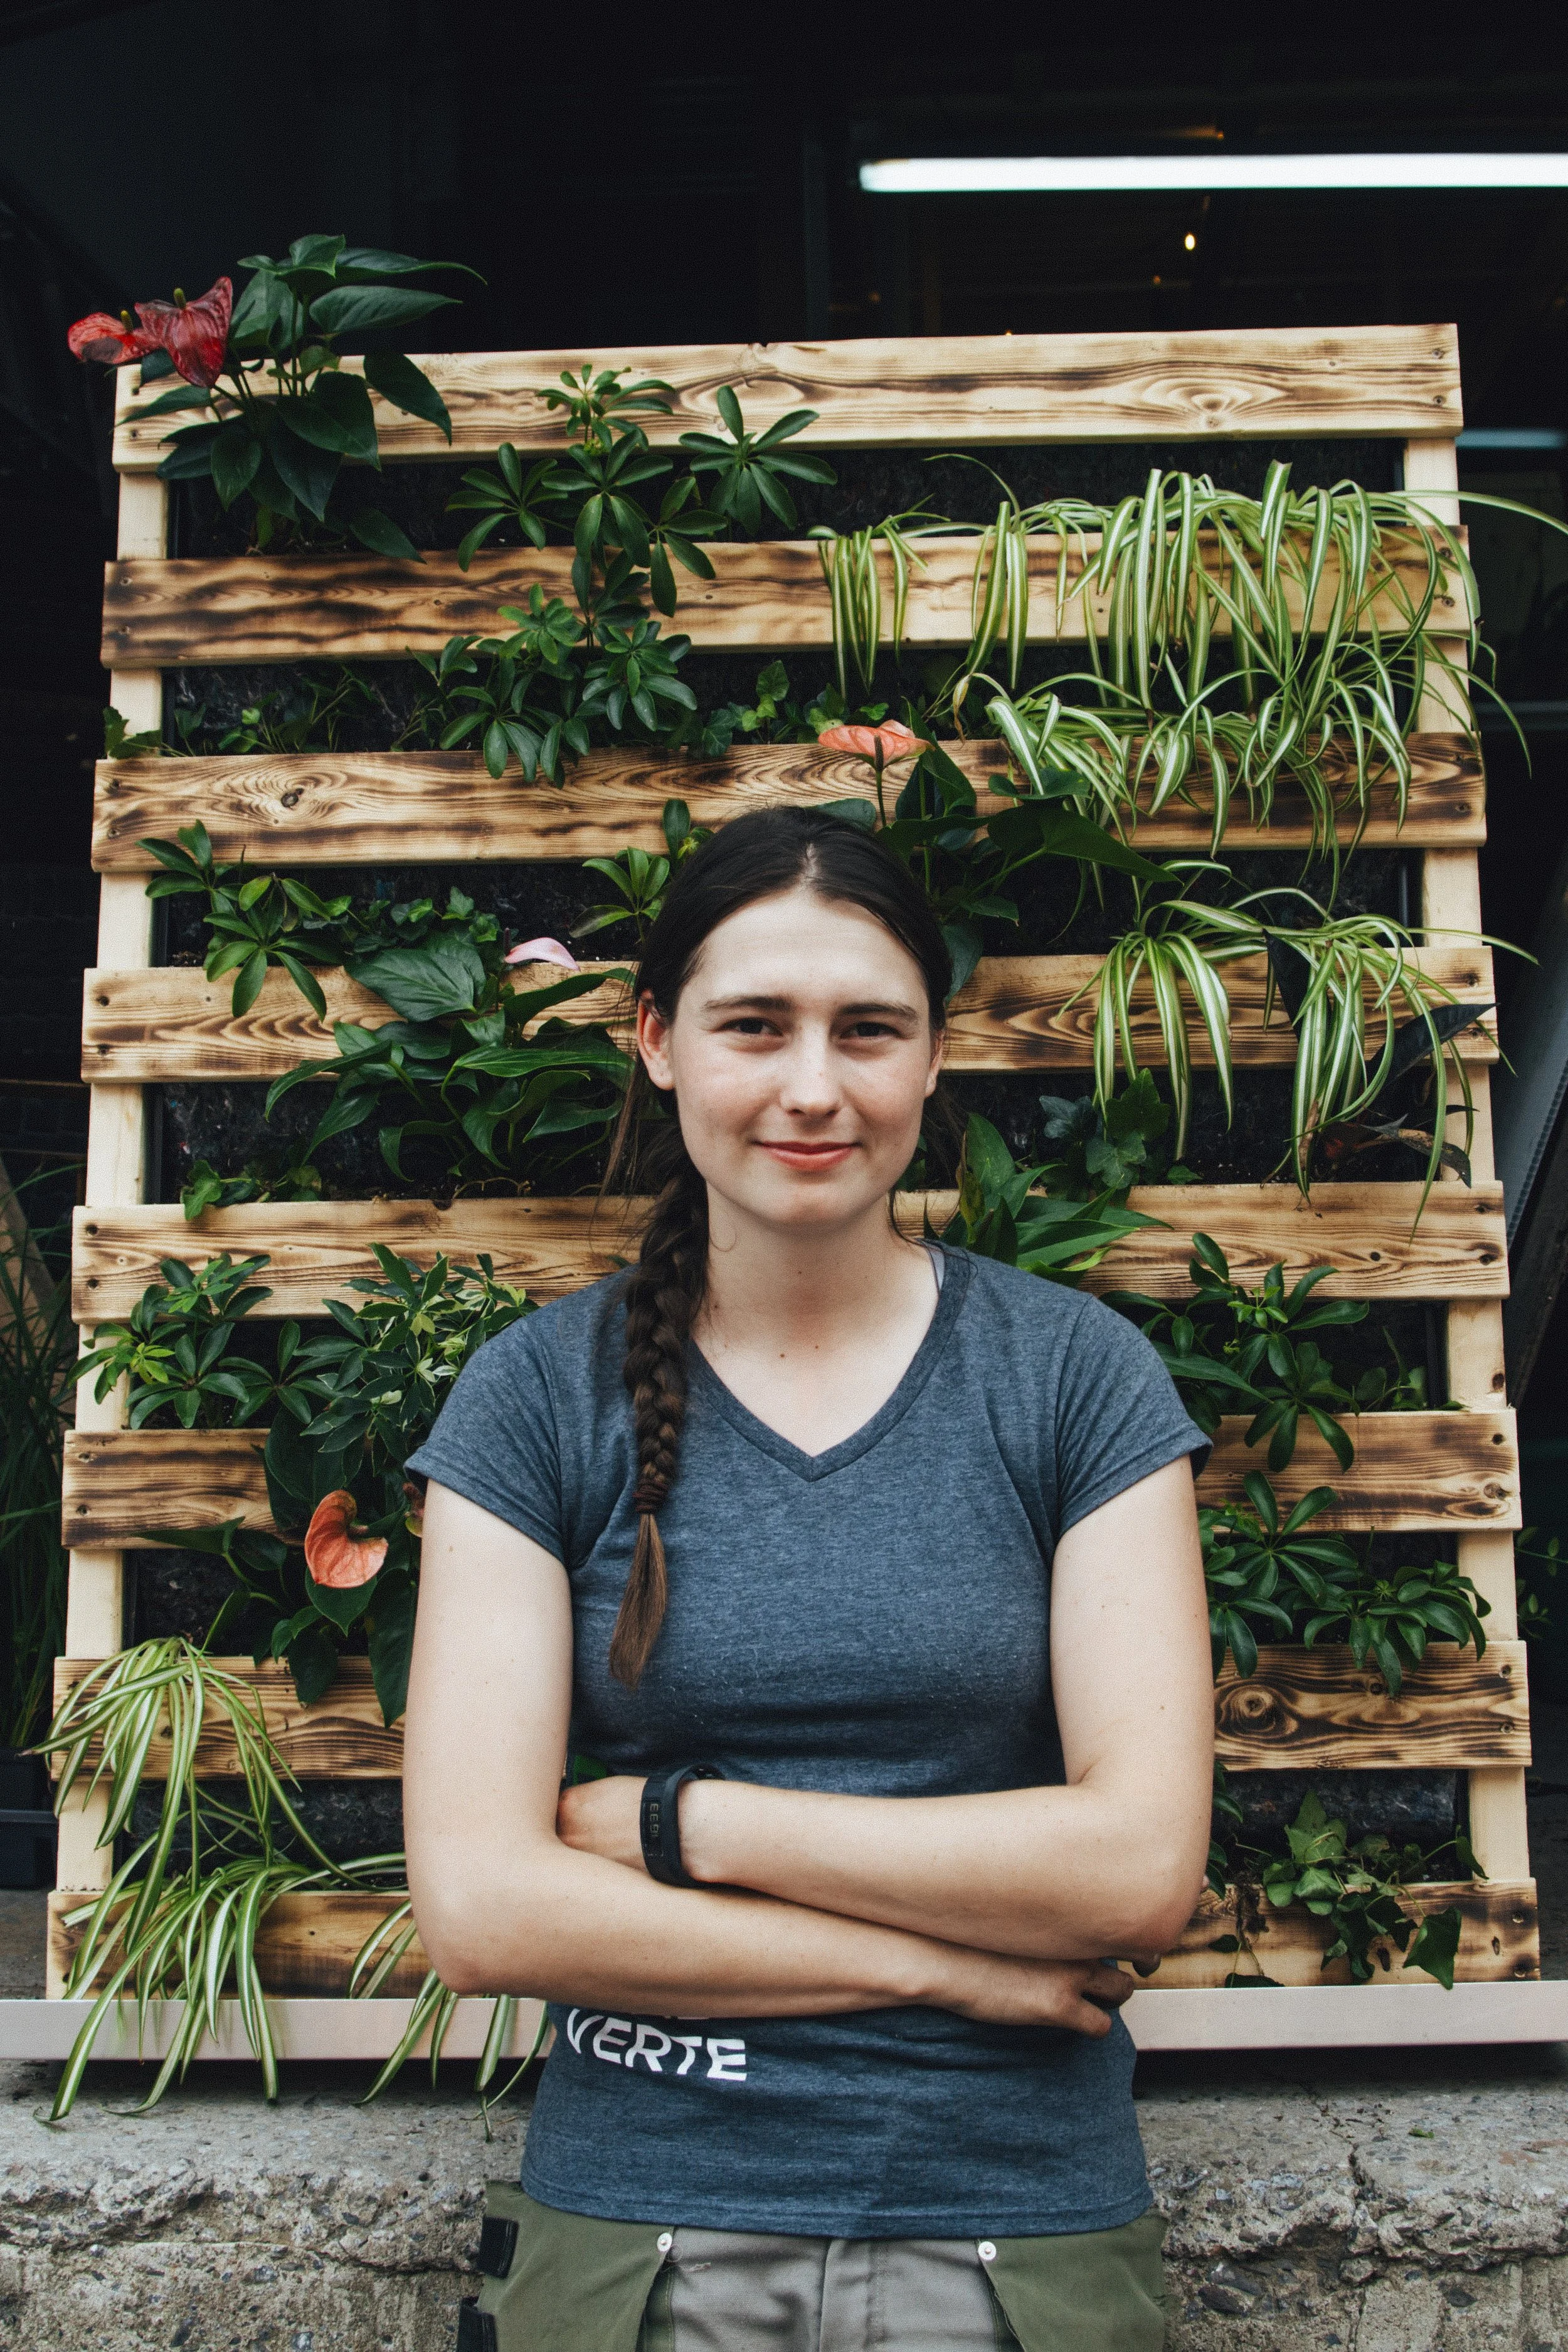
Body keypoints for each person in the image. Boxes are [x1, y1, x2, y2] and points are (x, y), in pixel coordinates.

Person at [403, 806, 1214, 2352]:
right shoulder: (531, 1399)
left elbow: (1133, 1872)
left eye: (867, 1030)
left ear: (929, 1059)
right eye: (752, 1025)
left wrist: (677, 1822)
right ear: (655, 1042)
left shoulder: (1071, 1381)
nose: (810, 1087)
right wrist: (947, 1969)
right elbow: (485, 1908)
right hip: (641, 2227)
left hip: (1014, 2235)